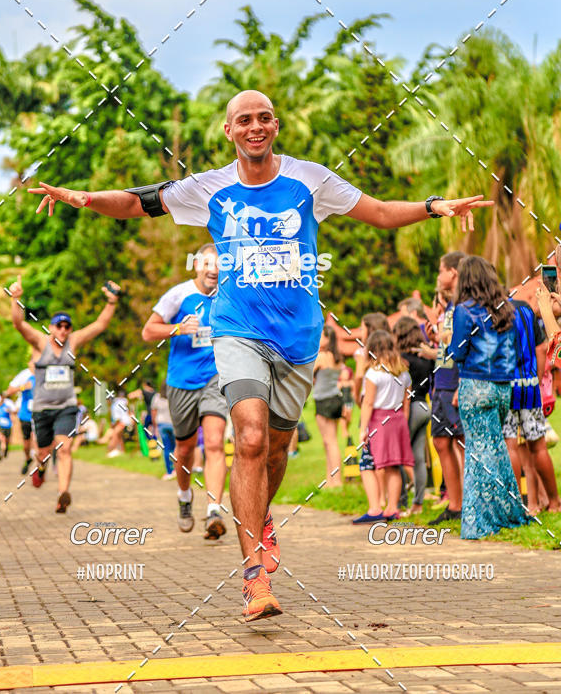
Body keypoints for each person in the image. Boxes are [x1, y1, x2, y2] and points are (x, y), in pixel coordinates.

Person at [26, 87, 492, 621]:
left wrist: (433, 207)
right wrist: (85, 197)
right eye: (244, 119)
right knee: (247, 437)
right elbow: (137, 202)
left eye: (264, 117)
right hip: (237, 329)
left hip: (298, 338)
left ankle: (260, 516)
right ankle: (254, 576)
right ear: (229, 130)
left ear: (276, 125)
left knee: (274, 450)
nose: (255, 127)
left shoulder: (310, 179)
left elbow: (381, 212)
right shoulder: (208, 187)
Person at [8, 275, 120, 513]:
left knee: (65, 448)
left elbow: (99, 325)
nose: (63, 330)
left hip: (66, 406)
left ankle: (62, 495)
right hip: (42, 408)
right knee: (43, 452)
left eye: (67, 326)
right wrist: (15, 299)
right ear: (51, 328)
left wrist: (111, 302)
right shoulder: (41, 342)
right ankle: (40, 467)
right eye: (58, 326)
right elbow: (19, 324)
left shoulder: (73, 342)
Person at [142, 243, 228, 540]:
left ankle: (214, 511)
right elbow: (148, 331)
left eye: (219, 264)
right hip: (181, 382)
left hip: (215, 378)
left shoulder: (228, 294)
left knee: (214, 442)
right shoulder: (178, 295)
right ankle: (184, 495)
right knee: (185, 449)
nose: (213, 270)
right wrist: (177, 328)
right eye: (207, 264)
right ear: (196, 266)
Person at [449, 256, 529, 539]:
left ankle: (479, 521)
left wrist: (449, 346)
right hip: (503, 388)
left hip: (476, 385)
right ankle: (507, 512)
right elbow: (515, 350)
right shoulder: (506, 309)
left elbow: (458, 352)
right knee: (496, 450)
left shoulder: (464, 311)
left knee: (477, 453)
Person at [502, 296, 560, 513]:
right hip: (529, 385)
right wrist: (536, 379)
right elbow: (541, 348)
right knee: (538, 446)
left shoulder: (490, 311)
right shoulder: (525, 309)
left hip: (505, 386)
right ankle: (555, 502)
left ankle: (516, 507)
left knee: (510, 446)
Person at [352, 330, 414, 523]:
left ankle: (375, 509)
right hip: (398, 419)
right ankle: (392, 508)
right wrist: (403, 423)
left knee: (367, 463)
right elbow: (406, 402)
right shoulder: (403, 373)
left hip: (379, 421)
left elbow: (368, 403)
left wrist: (363, 429)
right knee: (393, 465)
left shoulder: (374, 374)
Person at [428, 251, 466, 526]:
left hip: (455, 381)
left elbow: (463, 344)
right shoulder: (451, 305)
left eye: (441, 270)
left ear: (453, 272)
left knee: (461, 443)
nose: (439, 276)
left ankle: (469, 505)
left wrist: (461, 385)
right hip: (440, 381)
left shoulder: (464, 303)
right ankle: (454, 505)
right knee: (441, 441)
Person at [394, 315, 434, 515]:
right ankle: (418, 504)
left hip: (410, 408)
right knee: (418, 458)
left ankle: (400, 502)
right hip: (425, 406)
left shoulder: (402, 359)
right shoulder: (426, 357)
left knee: (399, 455)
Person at [312, 326, 345, 489]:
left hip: (323, 400)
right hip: (336, 399)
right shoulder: (337, 358)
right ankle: (329, 480)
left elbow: (308, 375)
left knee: (330, 442)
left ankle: (336, 480)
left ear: (327, 339)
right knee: (330, 441)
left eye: (320, 336)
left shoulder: (322, 356)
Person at [6, 364, 36, 474]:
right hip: (26, 415)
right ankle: (28, 459)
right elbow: (9, 391)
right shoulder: (24, 375)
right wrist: (23, 387)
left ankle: (40, 469)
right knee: (26, 443)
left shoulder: (47, 372)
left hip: (41, 413)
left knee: (38, 440)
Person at [151, 383, 177, 480]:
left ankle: (169, 471)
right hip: (172, 424)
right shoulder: (174, 395)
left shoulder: (157, 397)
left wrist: (154, 426)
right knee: (176, 448)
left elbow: (154, 413)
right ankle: (176, 470)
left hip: (162, 424)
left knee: (166, 448)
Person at [107, 388, 132, 457]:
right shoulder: (120, 401)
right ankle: (122, 451)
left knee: (114, 434)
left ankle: (111, 450)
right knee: (119, 436)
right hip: (126, 421)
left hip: (123, 422)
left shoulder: (114, 406)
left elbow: (118, 419)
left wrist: (113, 425)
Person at [0, 393, 15, 460]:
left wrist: (10, 414)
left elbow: (13, 412)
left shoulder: (7, 406)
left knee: (7, 439)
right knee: (0, 437)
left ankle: (6, 450)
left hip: (7, 425)